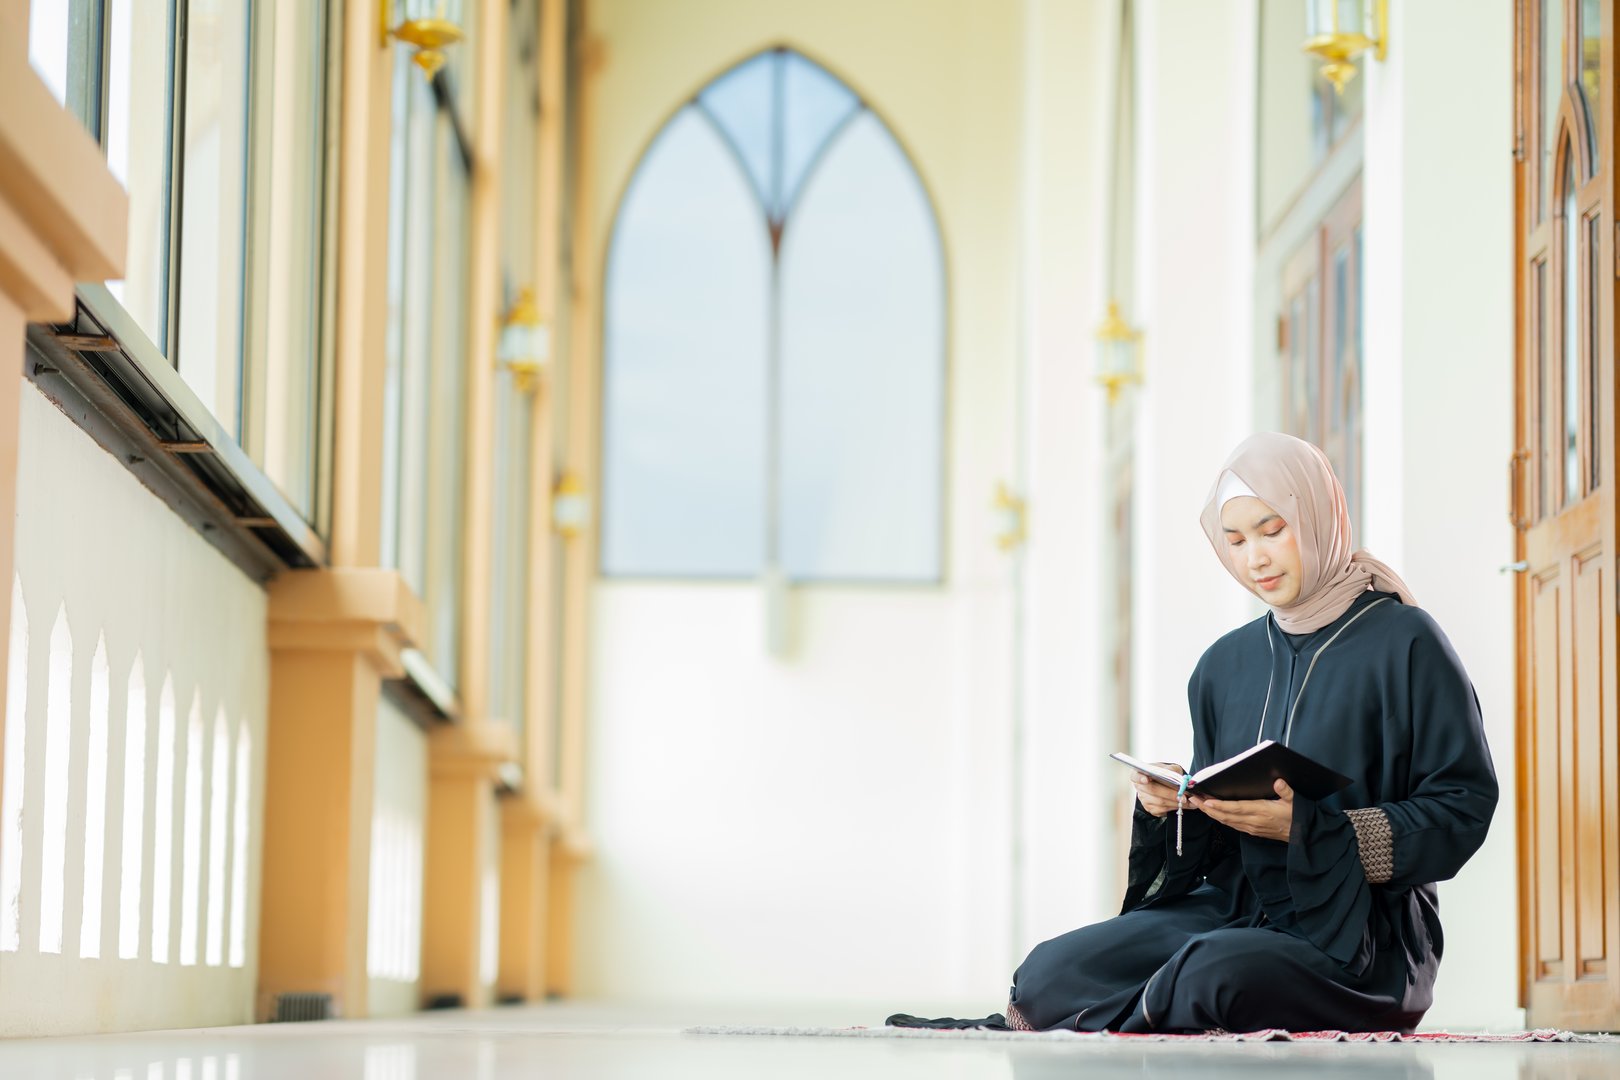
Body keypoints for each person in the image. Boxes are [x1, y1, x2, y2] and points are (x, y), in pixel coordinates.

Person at [889, 432, 1498, 1034]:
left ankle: (1113, 1022)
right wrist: (1174, 803)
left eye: (1272, 530)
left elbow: (1464, 806)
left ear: (1318, 517)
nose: (1254, 558)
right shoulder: (1223, 666)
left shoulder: (1406, 643)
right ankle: (1128, 1014)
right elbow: (1216, 845)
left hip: (1361, 936)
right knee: (1049, 971)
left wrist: (1319, 832)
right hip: (1237, 907)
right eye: (1234, 540)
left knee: (1209, 973)